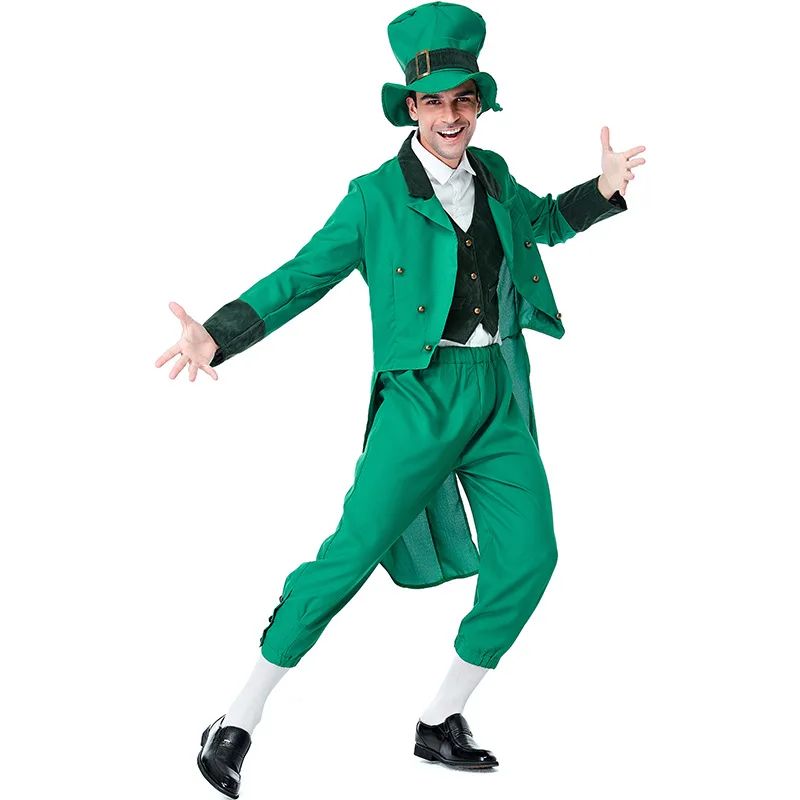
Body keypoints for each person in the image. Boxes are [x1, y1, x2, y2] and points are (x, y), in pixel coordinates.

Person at [155, 2, 645, 795]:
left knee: (530, 556)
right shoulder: (374, 197)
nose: (451, 117)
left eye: (464, 100)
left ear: (479, 105)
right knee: (349, 556)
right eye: (434, 102)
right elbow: (301, 278)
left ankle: (440, 718)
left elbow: (546, 223)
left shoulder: (495, 174)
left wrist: (603, 190)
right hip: (421, 397)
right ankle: (238, 717)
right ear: (410, 107)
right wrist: (216, 334)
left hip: (500, 390)